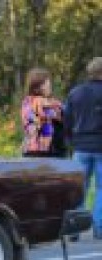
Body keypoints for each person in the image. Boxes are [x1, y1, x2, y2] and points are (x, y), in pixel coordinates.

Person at [64, 57, 102, 239]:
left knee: (79, 188)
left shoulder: (75, 93)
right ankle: (99, 227)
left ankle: (76, 228)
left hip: (80, 146)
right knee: (101, 188)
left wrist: (71, 142)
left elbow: (66, 120)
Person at [20, 68, 65, 157]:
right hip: (44, 150)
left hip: (30, 149)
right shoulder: (41, 102)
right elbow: (61, 114)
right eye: (47, 83)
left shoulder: (26, 102)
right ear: (38, 86)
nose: (50, 86)